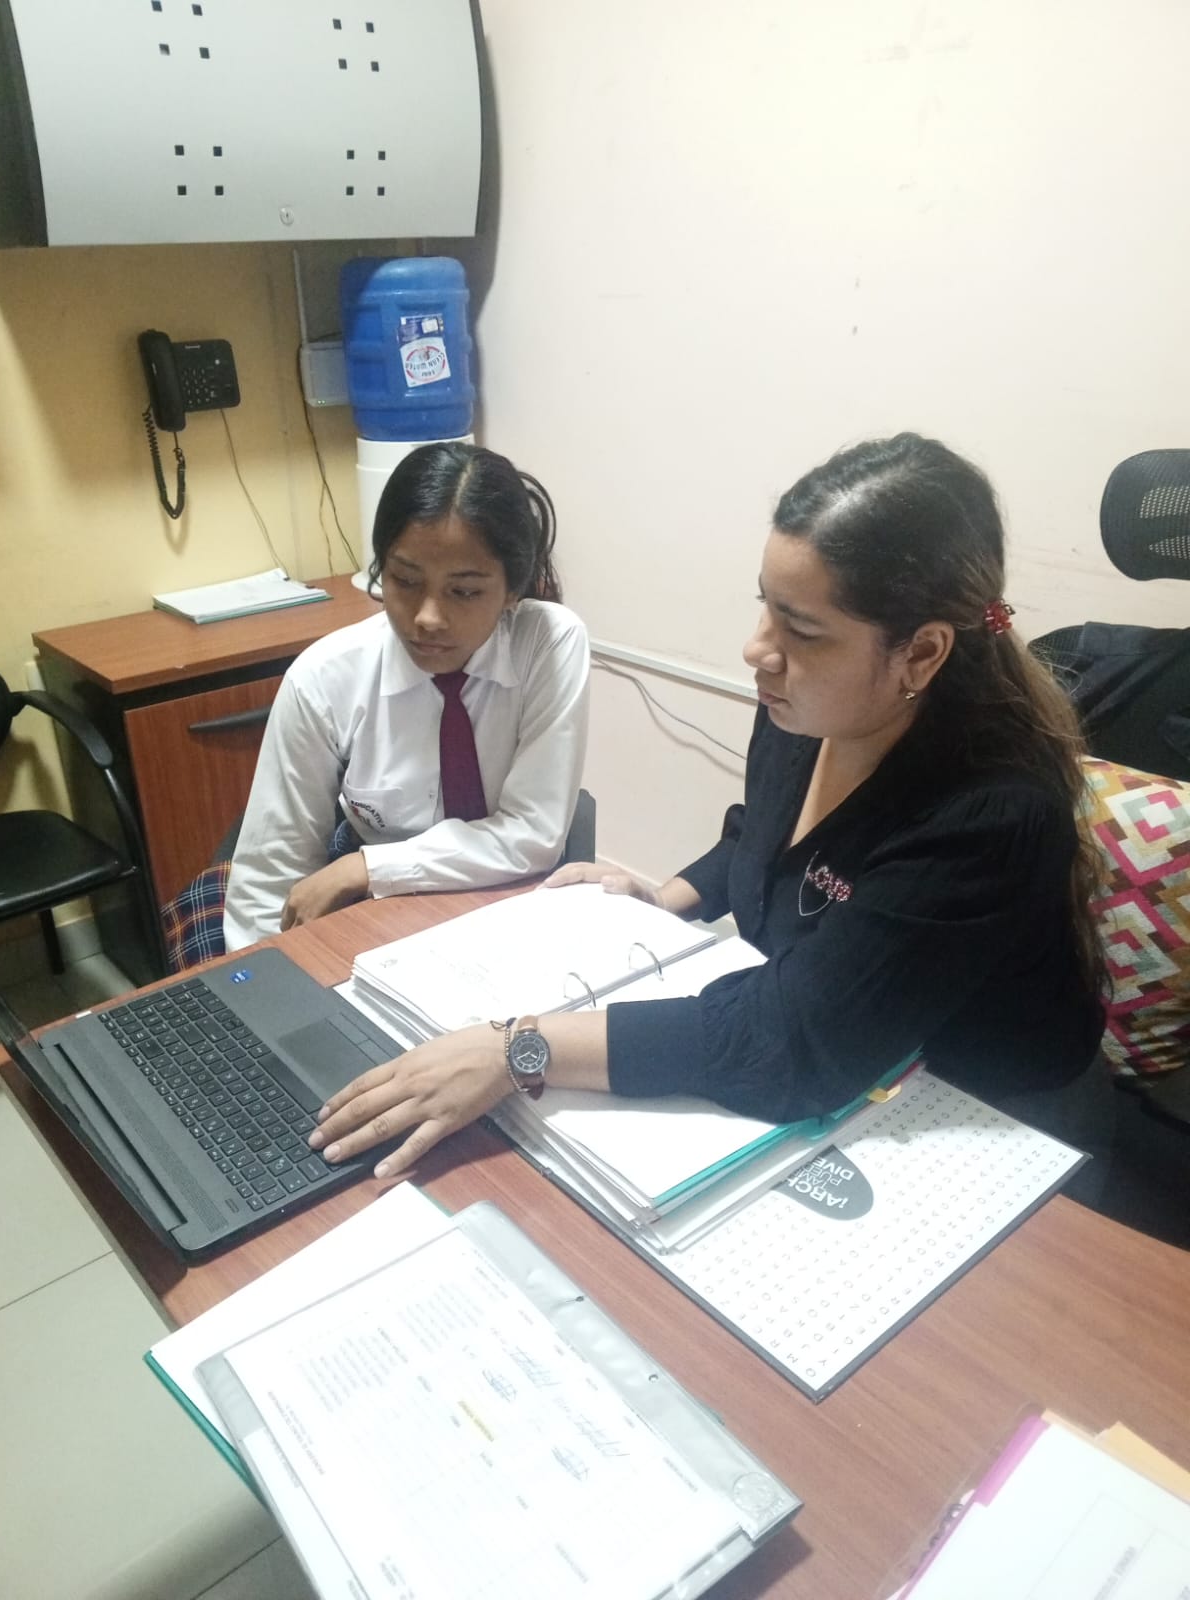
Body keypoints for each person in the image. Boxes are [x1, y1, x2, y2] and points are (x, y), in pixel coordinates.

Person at [308, 432, 1112, 1193]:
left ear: (923, 653)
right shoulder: (804, 709)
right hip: (845, 1068)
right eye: (767, 607)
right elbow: (764, 839)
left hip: (979, 1120)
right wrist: (663, 899)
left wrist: (517, 1048)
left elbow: (789, 1042)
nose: (758, 650)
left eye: (801, 629)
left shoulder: (989, 814)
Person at [221, 441, 590, 950]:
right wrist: (257, 980)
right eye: (405, 580)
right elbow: (271, 876)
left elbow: (532, 834)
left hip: (505, 898)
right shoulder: (323, 679)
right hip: (376, 910)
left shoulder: (549, 644)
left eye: (464, 591)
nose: (428, 618)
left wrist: (368, 867)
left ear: (512, 589)